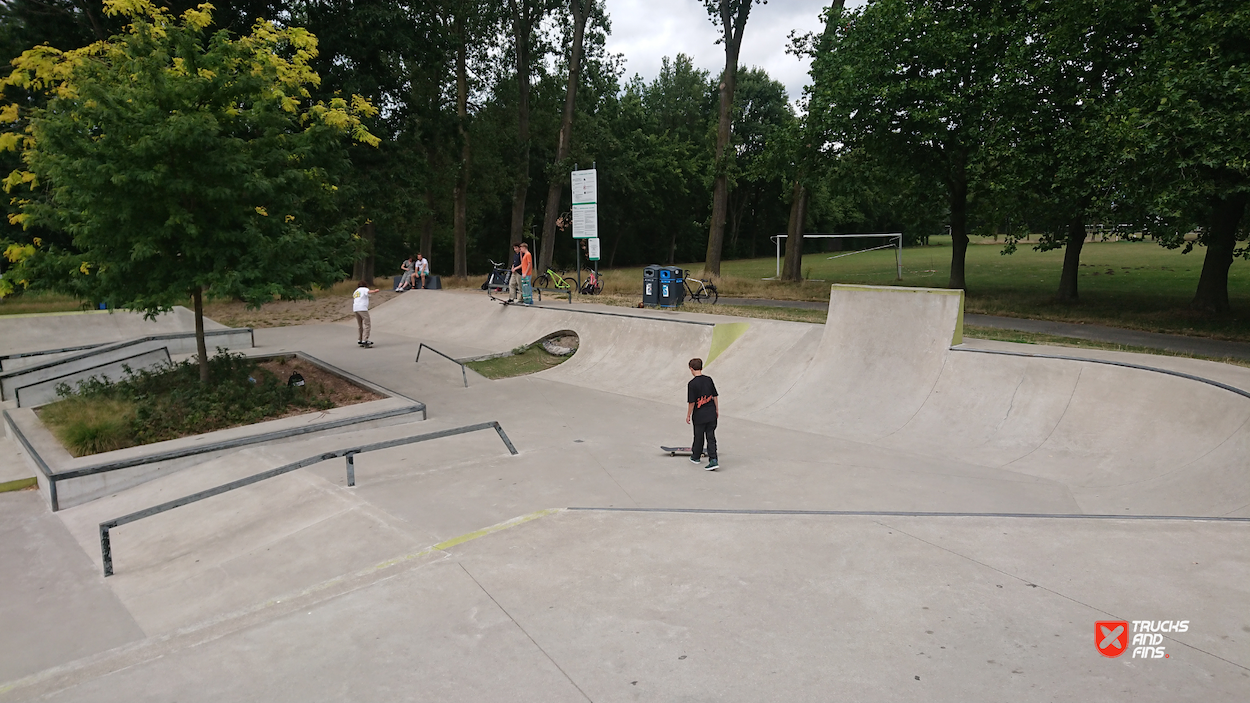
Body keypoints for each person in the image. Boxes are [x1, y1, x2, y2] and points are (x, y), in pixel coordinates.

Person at [685, 357, 719, 470]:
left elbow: (692, 402)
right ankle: (713, 460)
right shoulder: (709, 379)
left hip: (699, 416)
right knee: (711, 437)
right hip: (711, 413)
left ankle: (695, 457)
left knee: (698, 437)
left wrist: (688, 414)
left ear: (691, 369)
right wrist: (717, 410)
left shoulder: (692, 384)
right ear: (701, 367)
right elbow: (715, 396)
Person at [352, 280, 379, 347]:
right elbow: (368, 292)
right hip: (362, 308)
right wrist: (375, 291)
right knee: (367, 324)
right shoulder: (364, 289)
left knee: (360, 325)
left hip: (355, 308)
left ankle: (360, 339)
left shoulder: (356, 291)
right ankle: (365, 340)